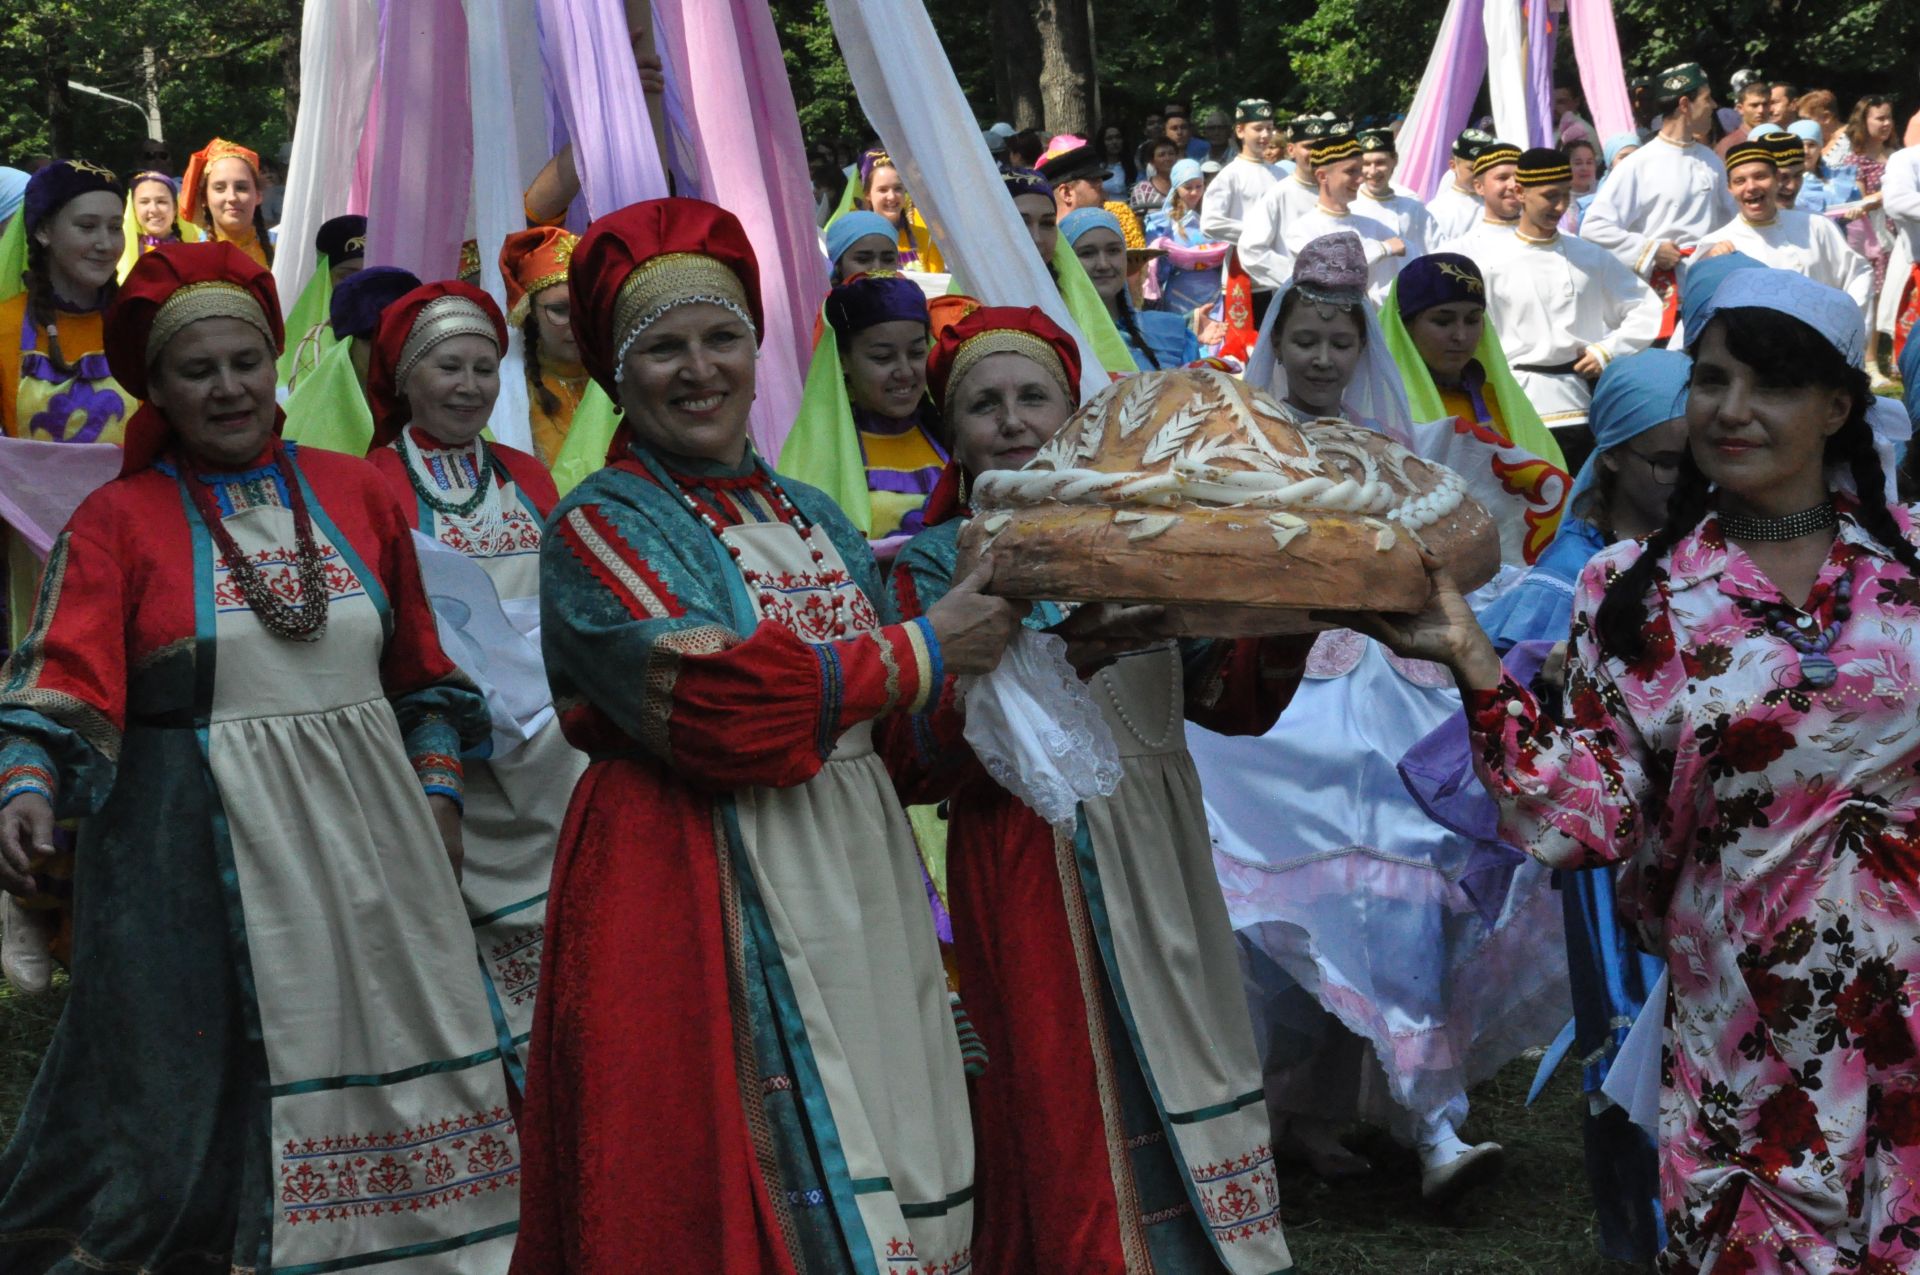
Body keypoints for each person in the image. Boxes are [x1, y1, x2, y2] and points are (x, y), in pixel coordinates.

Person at [1356, 266, 1920, 1274]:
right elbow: (1581, 821)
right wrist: (1473, 663)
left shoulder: (1911, 572)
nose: (1732, 411)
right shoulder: (1635, 592)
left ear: (1839, 406)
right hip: (1745, 1039)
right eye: (1710, 381)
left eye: (1773, 386)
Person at [510, 197, 1020, 1272]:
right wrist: (925, 653)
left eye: (722, 337)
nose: (699, 370)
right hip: (691, 880)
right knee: (732, 1182)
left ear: (758, 348)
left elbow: (897, 743)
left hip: (856, 875)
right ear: (615, 372)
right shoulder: (602, 524)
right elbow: (714, 704)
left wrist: (1011, 681)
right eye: (663, 350)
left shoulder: (814, 515)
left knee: (889, 1143)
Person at [0, 242, 518, 1272]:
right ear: (157, 386)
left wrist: (440, 793)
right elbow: (62, 670)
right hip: (186, 847)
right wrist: (26, 783)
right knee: (185, 1092)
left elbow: (425, 674)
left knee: (389, 1058)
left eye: (246, 362)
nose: (229, 388)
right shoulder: (117, 520)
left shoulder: (358, 494)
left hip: (370, 844)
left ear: (274, 362)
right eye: (198, 370)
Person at [890, 305, 1304, 1273]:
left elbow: (1228, 698)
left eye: (1034, 395)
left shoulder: (1155, 540)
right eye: (983, 404)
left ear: (1077, 415)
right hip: (1030, 867)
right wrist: (1047, 644)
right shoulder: (928, 567)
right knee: (1063, 1093)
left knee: (1190, 1060)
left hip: (1160, 856)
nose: (1013, 419)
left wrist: (1293, 617)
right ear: (952, 432)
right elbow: (915, 758)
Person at [1195, 233, 1565, 1203]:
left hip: (1388, 686)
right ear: (1279, 340)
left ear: (1364, 351)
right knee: (1271, 911)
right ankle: (1285, 1115)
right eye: (1307, 339)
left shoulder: (1394, 449)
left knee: (1407, 881)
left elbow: (1443, 558)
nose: (1322, 359)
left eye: (1339, 343)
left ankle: (1428, 1115)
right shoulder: (1241, 443)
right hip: (1275, 697)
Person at [363, 279, 583, 1076]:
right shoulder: (374, 483)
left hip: (551, 736)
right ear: (405, 379)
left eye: (484, 368)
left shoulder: (529, 474)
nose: (468, 386)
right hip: (445, 735)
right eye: (448, 367)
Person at [1456, 148, 1662, 464]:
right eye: (1551, 196)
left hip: (1588, 404)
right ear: (1521, 192)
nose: (1561, 206)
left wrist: (1607, 350)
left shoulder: (1590, 257)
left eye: (1566, 195)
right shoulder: (1490, 262)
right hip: (1521, 403)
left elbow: (1643, 306)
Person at [1382, 252, 1570, 557]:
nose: (1461, 335)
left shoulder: (1500, 400)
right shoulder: (1383, 406)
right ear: (1405, 326)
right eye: (1442, 321)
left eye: (1472, 320)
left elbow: (1551, 485)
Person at [780, 270, 948, 547]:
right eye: (883, 357)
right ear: (843, 360)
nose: (905, 371)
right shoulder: (816, 457)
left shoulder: (951, 438)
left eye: (917, 353)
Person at [1581, 63, 1733, 340]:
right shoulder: (1639, 164)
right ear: (1685, 104)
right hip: (1659, 298)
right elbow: (1594, 227)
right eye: (1706, 98)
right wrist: (1651, 251)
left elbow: (1731, 224)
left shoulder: (1711, 161)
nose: (1713, 105)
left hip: (1706, 290)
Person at [1700, 139, 1871, 326]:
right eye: (1740, 181)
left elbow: (1858, 273)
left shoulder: (1816, 226)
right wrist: (1711, 266)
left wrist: (1845, 325)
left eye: (1760, 177)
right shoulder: (1716, 245)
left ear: (1775, 180)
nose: (1751, 187)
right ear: (1730, 189)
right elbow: (1699, 313)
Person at [280, 265, 422, 457]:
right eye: (380, 343)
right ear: (347, 349)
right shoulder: (298, 434)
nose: (397, 356)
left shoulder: (449, 414)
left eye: (412, 343)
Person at [1271, 132, 1408, 304]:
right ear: (1322, 176)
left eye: (1360, 170)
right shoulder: (1302, 229)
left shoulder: (1373, 227)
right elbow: (1330, 270)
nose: (1361, 179)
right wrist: (1382, 249)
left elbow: (1405, 269)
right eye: (1351, 171)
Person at [499, 225, 590, 467]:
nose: (577, 323)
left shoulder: (622, 382)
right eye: (560, 310)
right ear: (531, 314)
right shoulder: (511, 392)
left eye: (585, 308)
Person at [1064, 207, 1198, 370]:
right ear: (1066, 261)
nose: (1104, 264)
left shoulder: (1174, 334)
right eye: (1087, 253)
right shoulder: (1057, 339)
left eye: (1113, 251)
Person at [278, 213, 366, 389]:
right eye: (347, 276)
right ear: (324, 276)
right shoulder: (306, 340)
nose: (360, 285)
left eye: (369, 274)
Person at [1144, 158, 1229, 317]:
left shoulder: (1214, 215)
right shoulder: (1164, 222)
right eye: (1188, 187)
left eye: (1199, 186)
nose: (1194, 192)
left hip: (1213, 290)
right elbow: (1157, 268)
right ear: (1176, 188)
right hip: (1179, 293)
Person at [1197, 99, 1280, 249]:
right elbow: (1210, 223)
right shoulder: (1230, 175)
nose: (1265, 135)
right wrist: (1260, 233)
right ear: (1240, 131)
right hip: (1243, 260)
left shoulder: (1281, 174)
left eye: (1269, 128)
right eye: (1258, 128)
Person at [180, 138, 272, 267]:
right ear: (204, 198)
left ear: (258, 195)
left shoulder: (283, 257)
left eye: (241, 188)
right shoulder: (189, 263)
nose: (232, 197)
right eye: (219, 188)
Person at [855, 147, 946, 273]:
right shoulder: (856, 241)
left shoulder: (926, 235)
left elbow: (939, 284)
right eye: (883, 190)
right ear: (867, 194)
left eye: (897, 188)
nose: (892, 196)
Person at [1442, 141, 1524, 255]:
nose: (1513, 185)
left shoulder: (1553, 244)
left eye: (1519, 177)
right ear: (1479, 186)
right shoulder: (1459, 252)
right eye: (1502, 178)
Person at [114, 170, 198, 278]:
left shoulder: (193, 250)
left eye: (161, 201)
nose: (153, 209)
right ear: (134, 209)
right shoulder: (121, 253)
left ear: (175, 208)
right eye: (144, 202)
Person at [1427, 128, 1498, 247]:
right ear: (1453, 166)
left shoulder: (1499, 203)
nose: (1479, 173)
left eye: (1485, 168)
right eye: (1472, 168)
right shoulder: (1439, 210)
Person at [824, 208, 902, 283]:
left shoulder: (910, 294)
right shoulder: (821, 296)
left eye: (888, 260)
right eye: (863, 259)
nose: (877, 269)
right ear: (839, 265)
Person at [1716, 77, 1773, 159]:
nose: (1761, 110)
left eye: (1765, 104)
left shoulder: (1780, 138)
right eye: (1754, 105)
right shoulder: (1729, 145)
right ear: (1740, 109)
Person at [1785, 120, 1834, 212]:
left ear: (1820, 147)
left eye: (1811, 145)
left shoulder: (1836, 178)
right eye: (1800, 146)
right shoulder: (1785, 183)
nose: (1806, 151)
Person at [1130, 137, 1180, 214]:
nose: (1167, 158)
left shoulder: (1186, 186)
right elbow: (1137, 221)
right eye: (1161, 155)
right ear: (1152, 161)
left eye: (1171, 154)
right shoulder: (1142, 189)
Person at [1565, 138, 1601, 232]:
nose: (1584, 168)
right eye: (1578, 163)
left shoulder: (1604, 189)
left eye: (1589, 162)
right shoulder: (1559, 196)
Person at [1099, 120, 1138, 197]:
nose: (1114, 142)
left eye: (1118, 137)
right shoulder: (1097, 167)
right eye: (1109, 139)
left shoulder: (1133, 166)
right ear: (1102, 142)